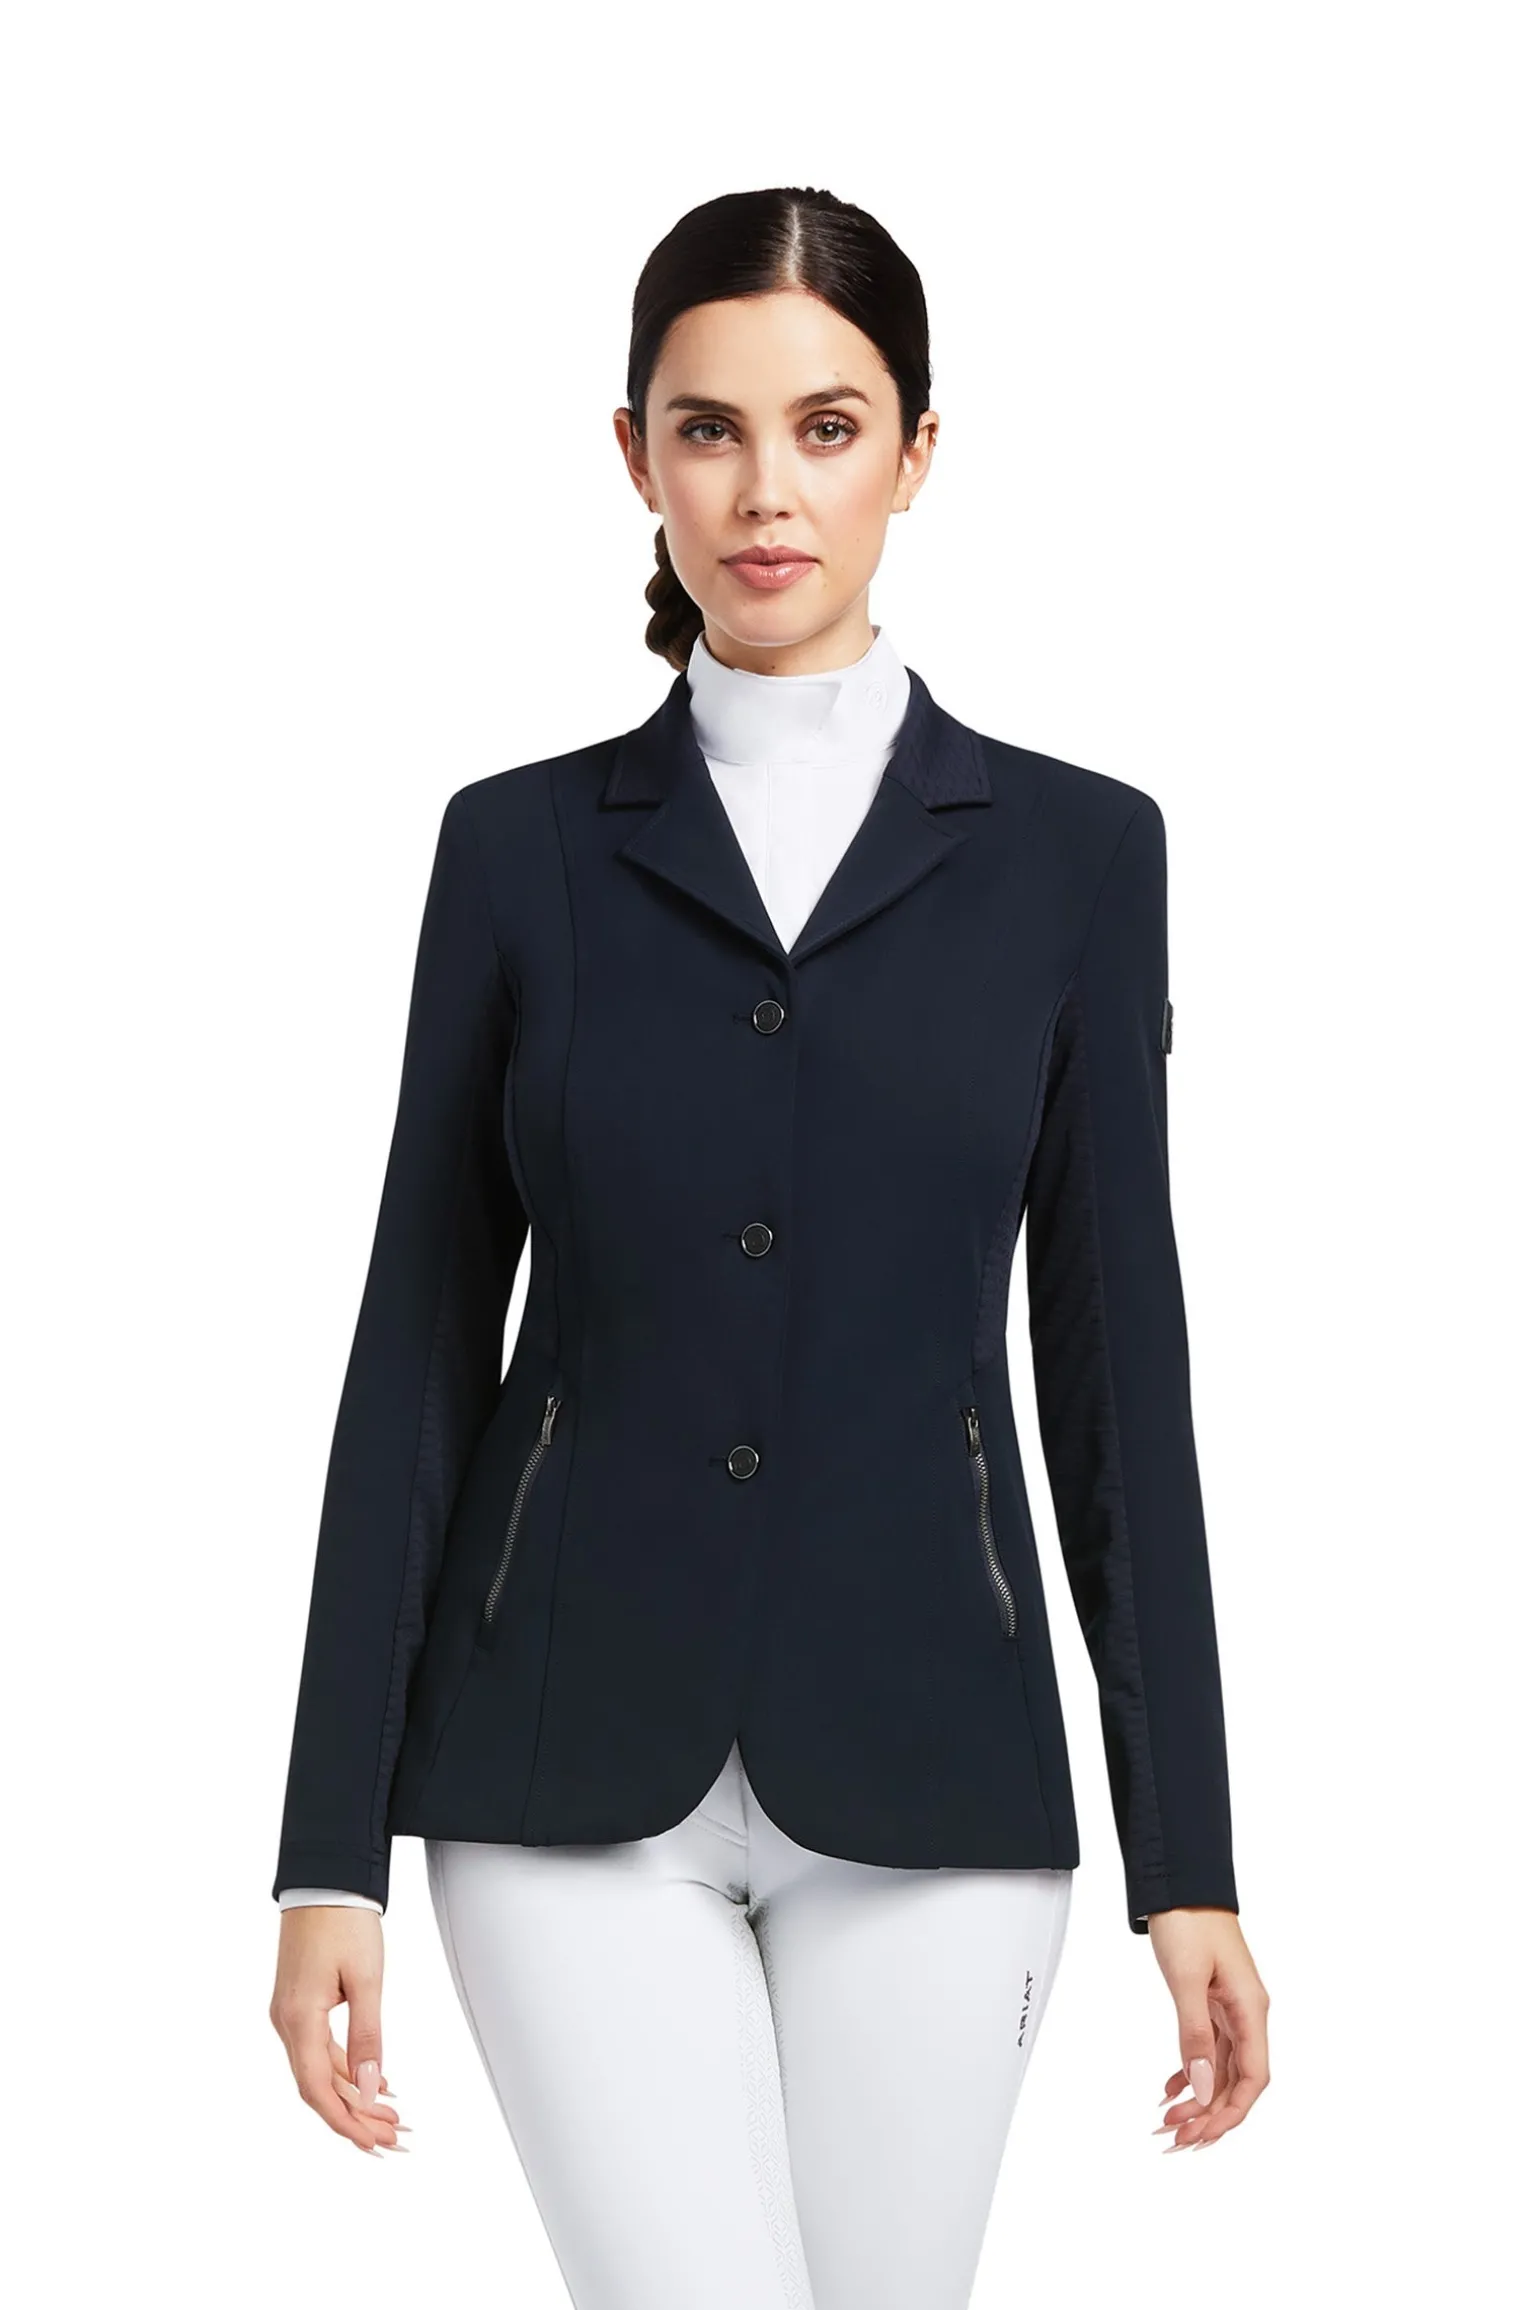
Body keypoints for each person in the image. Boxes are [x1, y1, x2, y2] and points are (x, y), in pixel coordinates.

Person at [269, 185, 1270, 2308]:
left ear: (917, 451)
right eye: (705, 429)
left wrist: (1184, 1857)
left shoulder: (1078, 857)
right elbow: (419, 1343)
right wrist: (320, 1849)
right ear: (632, 455)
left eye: (826, 427)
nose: (763, 491)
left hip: (937, 1757)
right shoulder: (519, 849)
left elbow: (1117, 1367)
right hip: (556, 1763)